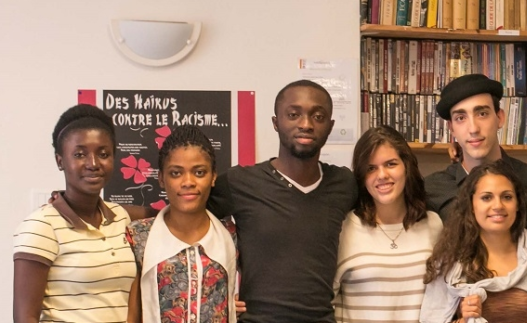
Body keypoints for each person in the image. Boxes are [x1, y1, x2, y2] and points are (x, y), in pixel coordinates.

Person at [205, 80, 358, 322]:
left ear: (330, 127)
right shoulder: (240, 182)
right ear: (276, 122)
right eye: (293, 114)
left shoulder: (344, 184)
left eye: (318, 116)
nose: (306, 124)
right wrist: (215, 294)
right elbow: (184, 220)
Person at [13, 104, 136, 323]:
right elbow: (25, 317)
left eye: (103, 154)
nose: (93, 163)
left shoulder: (120, 217)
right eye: (80, 154)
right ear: (60, 161)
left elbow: (166, 212)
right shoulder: (41, 227)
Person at [420, 161, 527, 323]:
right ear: (471, 205)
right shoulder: (449, 258)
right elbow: (432, 318)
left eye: (507, 197)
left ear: (517, 204)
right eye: (486, 198)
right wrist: (463, 319)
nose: (498, 205)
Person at [125, 125, 237, 323]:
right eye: (176, 173)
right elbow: (131, 314)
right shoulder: (139, 237)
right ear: (161, 178)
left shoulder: (231, 235)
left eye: (199, 172)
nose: (188, 182)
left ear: (213, 177)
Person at [331, 126, 443, 322]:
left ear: (406, 166)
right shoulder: (343, 228)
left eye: (390, 164)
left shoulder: (434, 225)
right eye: (371, 168)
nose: (381, 175)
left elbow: (443, 299)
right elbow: (325, 302)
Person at [424, 74, 527, 239]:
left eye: (482, 114)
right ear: (452, 128)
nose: (473, 128)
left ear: (500, 118)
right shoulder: (432, 189)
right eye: (461, 118)